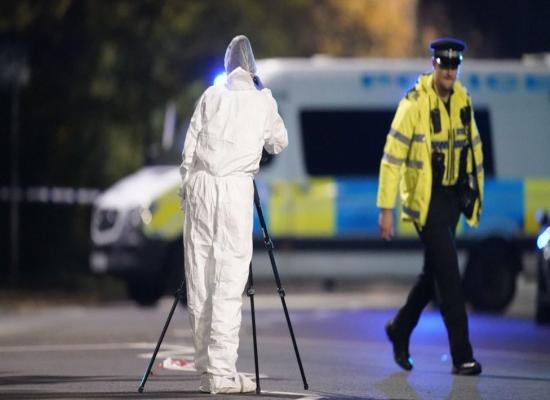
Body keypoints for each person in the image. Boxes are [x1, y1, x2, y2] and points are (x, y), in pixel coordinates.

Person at [179, 35, 288, 394]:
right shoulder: (262, 100)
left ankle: (206, 371)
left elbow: (189, 147)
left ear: (227, 66)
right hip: (233, 192)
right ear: (253, 67)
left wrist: (187, 193)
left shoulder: (211, 96)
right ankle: (222, 374)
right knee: (227, 282)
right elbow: (279, 141)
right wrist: (262, 95)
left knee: (200, 279)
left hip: (200, 188)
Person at [376, 37, 484, 376]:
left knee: (432, 274)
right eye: (444, 64)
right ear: (433, 65)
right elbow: (392, 159)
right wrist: (386, 208)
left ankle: (400, 329)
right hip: (427, 201)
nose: (450, 71)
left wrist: (474, 193)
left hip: (452, 199)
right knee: (449, 276)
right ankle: (462, 356)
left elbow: (475, 150)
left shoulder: (463, 101)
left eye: (455, 65)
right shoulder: (413, 105)